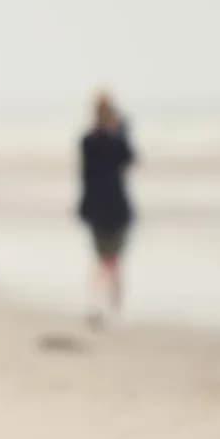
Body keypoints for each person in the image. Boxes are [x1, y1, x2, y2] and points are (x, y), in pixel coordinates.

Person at [77, 91, 135, 322]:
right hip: (111, 207)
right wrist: (121, 131)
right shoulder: (104, 140)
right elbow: (129, 158)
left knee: (106, 259)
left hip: (105, 207)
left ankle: (105, 305)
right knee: (109, 260)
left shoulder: (90, 140)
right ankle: (108, 305)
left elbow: (86, 177)